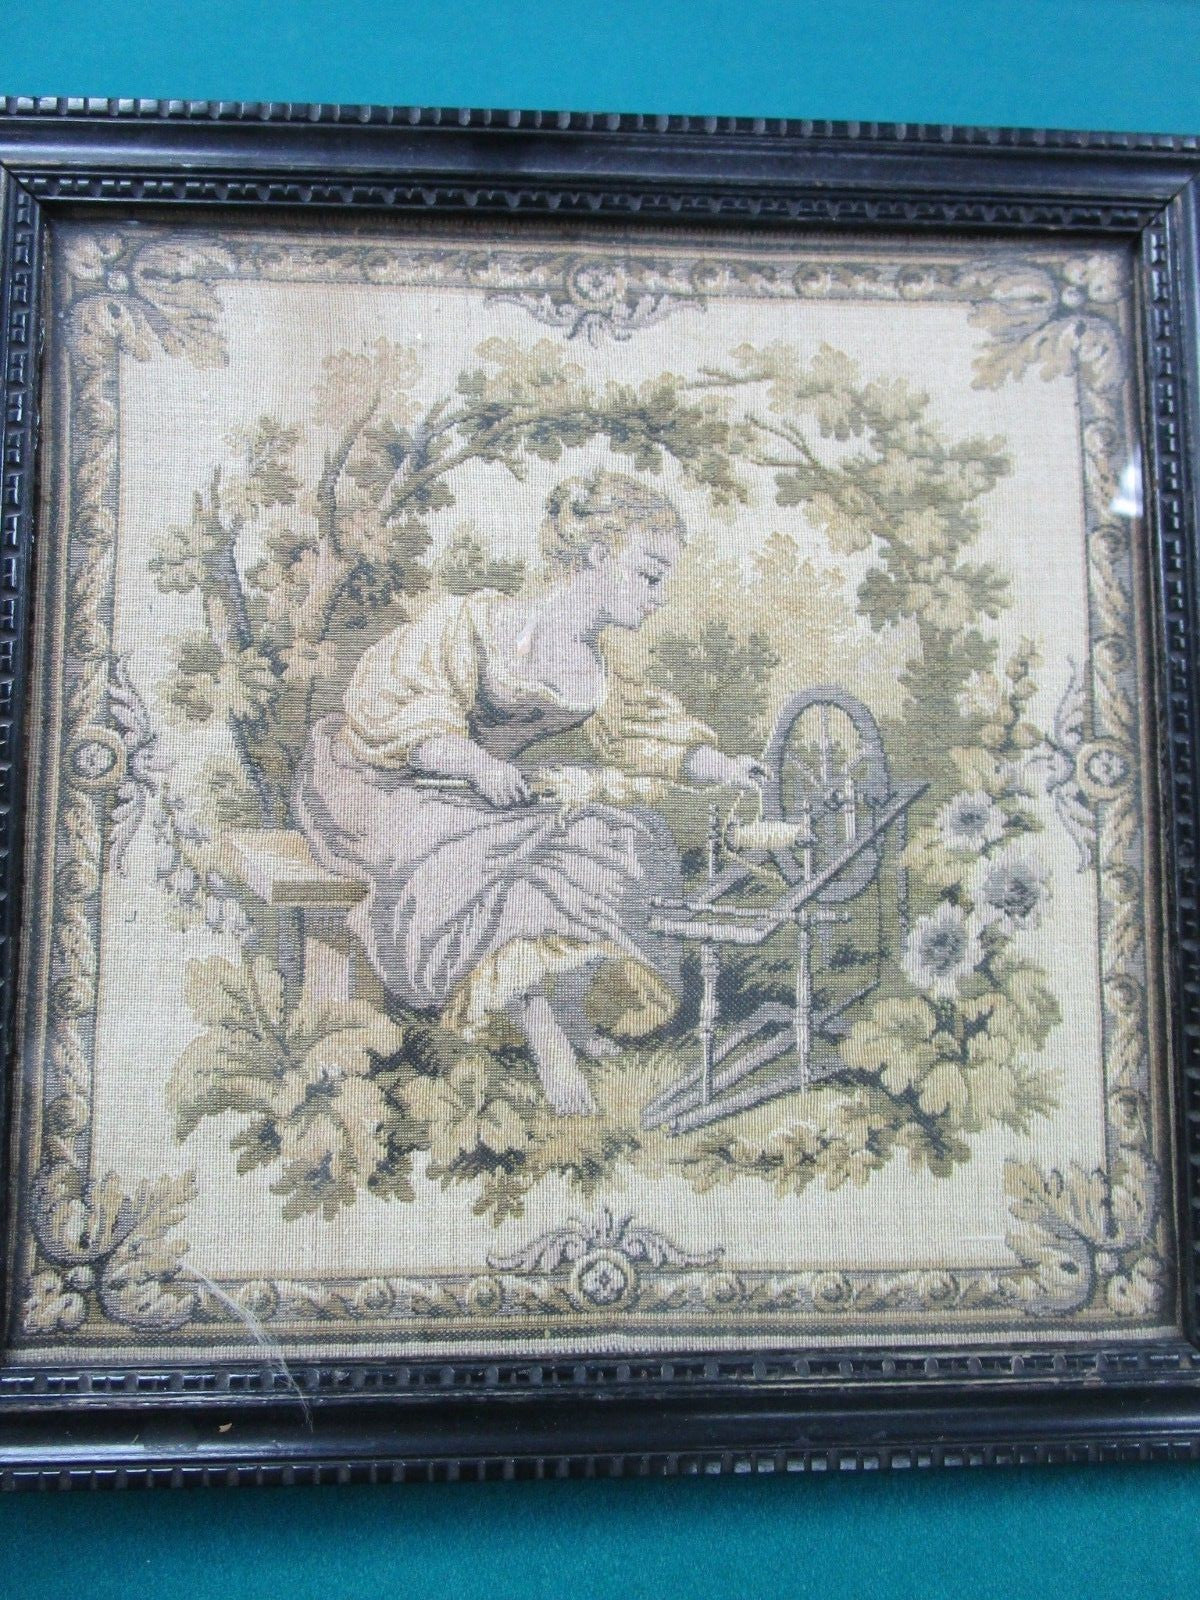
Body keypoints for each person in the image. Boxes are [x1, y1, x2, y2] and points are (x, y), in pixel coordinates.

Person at [294, 470, 764, 1115]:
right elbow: (395, 707)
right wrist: (476, 766)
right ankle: (545, 1038)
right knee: (492, 869)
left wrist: (731, 769)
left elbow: (648, 737)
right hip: (387, 784)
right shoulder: (480, 623)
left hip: (481, 801)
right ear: (596, 556)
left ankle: (566, 1010)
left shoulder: (598, 672)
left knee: (619, 837)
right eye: (649, 575)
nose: (658, 598)